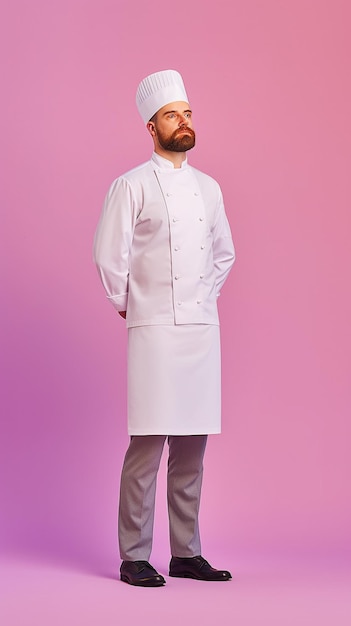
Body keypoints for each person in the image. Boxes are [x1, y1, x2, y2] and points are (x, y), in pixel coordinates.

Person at [93, 70, 235, 587]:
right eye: (173, 116)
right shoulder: (130, 185)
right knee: (148, 446)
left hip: (200, 330)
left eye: (189, 113)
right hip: (153, 329)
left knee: (192, 449)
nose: (185, 122)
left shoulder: (209, 188)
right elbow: (110, 257)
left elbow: (224, 253)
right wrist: (131, 305)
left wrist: (202, 296)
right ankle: (133, 555)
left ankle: (185, 553)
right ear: (152, 128)